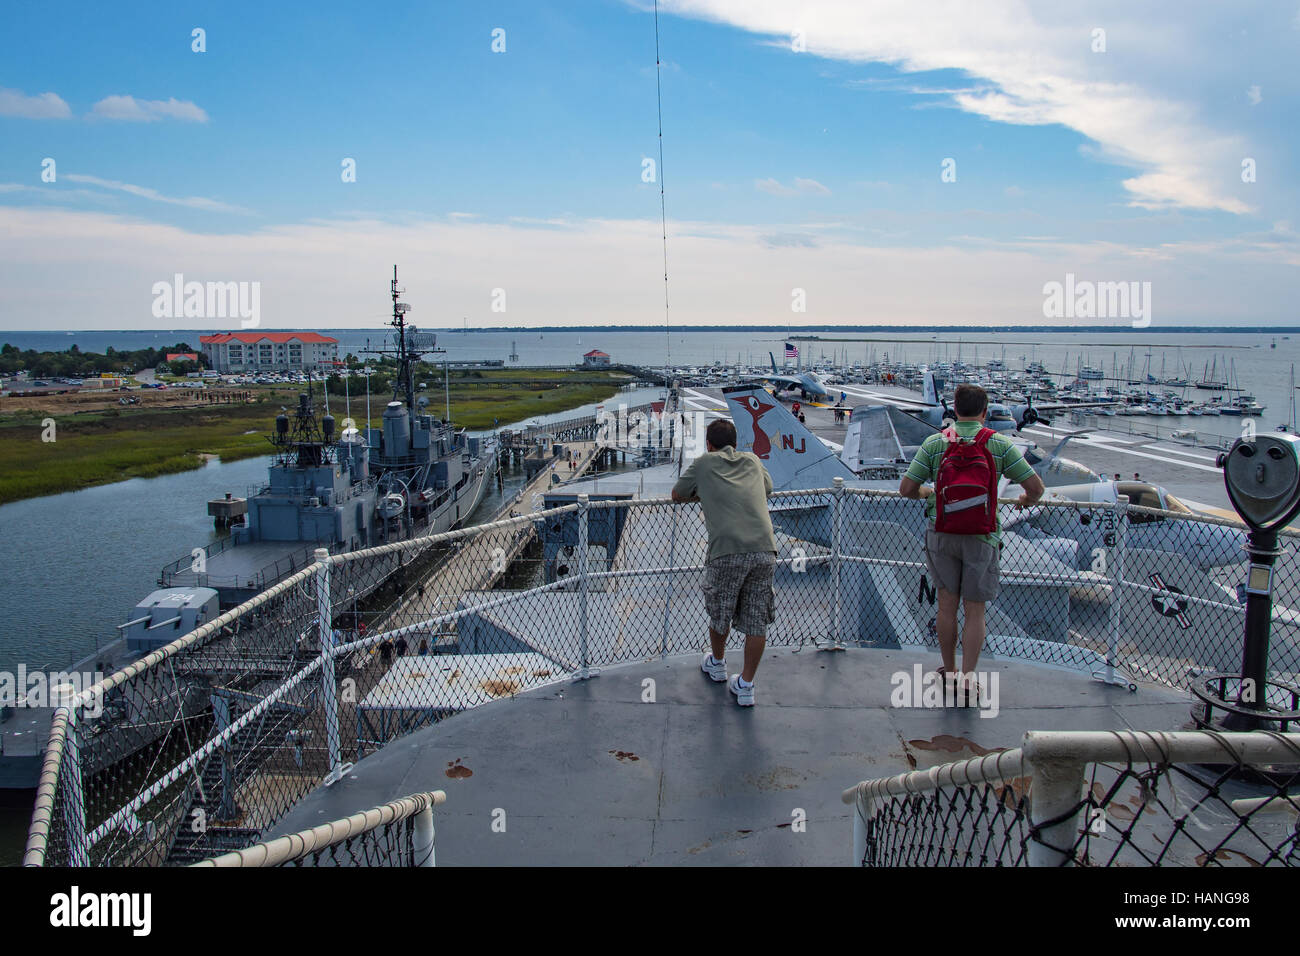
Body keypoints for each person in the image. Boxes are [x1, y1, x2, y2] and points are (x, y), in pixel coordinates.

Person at [899, 384, 1044, 702]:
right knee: (975, 612)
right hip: (983, 535)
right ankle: (967, 678)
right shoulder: (1000, 445)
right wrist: (1024, 500)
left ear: (954, 408)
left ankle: (948, 672)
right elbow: (1036, 488)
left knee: (946, 607)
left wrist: (927, 492)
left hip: (942, 533)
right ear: (984, 411)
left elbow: (906, 488)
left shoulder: (937, 442)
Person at [671, 418, 778, 706]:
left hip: (727, 550)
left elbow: (678, 493)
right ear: (735, 443)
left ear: (709, 443)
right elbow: (767, 488)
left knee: (721, 611)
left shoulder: (704, 463)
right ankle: (746, 685)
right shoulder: (753, 460)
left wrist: (704, 493)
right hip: (764, 549)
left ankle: (717, 664)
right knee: (757, 620)